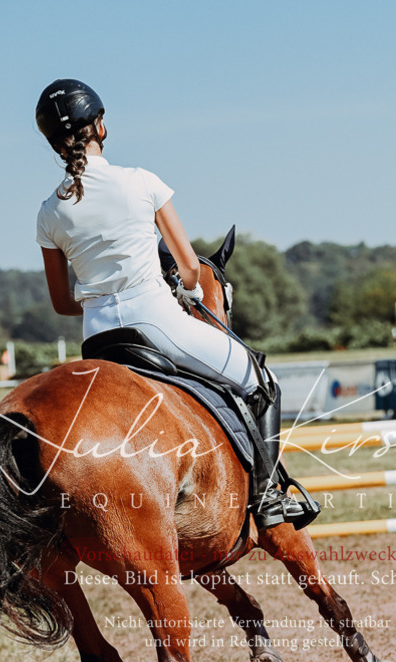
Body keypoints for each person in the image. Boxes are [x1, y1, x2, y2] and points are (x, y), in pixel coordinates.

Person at [35, 78, 318, 531]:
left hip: (98, 340)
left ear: (53, 143)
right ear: (100, 126)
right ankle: (268, 499)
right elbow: (189, 270)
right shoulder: (143, 182)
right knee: (261, 379)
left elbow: (62, 302)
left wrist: (98, 302)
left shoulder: (49, 211)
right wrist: (183, 289)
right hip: (158, 323)